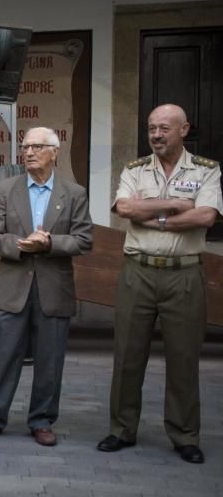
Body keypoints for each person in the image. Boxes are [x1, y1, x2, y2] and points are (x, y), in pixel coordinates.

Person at [97, 104, 221, 464]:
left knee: (184, 357)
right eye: (152, 128)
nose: (156, 134)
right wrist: (176, 205)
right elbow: (125, 209)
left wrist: (156, 218)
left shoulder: (206, 171)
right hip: (138, 272)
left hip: (185, 274)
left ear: (184, 129)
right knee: (126, 356)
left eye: (164, 128)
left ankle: (184, 435)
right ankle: (121, 429)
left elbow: (206, 216)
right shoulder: (135, 170)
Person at [0, 127, 93, 447]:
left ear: (55, 152)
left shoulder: (74, 194)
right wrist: (23, 245)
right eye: (25, 147)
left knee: (49, 359)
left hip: (54, 289)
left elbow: (84, 240)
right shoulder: (7, 189)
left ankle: (42, 420)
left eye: (37, 147)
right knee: (3, 354)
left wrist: (50, 242)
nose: (28, 152)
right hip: (13, 287)